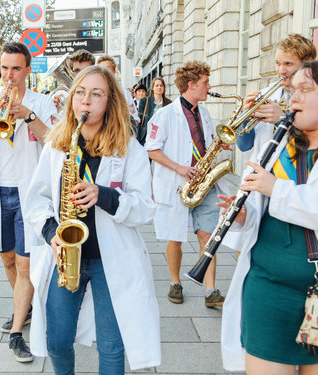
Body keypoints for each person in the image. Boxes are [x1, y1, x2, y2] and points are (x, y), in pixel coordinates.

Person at [24, 65, 161, 374]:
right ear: (72, 99)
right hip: (65, 255)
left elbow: (144, 208)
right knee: (56, 341)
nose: (86, 101)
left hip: (110, 259)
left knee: (112, 347)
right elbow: (37, 200)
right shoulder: (57, 146)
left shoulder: (129, 149)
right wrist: (50, 233)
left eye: (96, 94)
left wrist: (106, 196)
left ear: (110, 101)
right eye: (81, 93)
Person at [221, 61, 318, 374]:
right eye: (292, 91)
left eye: (306, 90)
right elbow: (258, 213)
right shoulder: (276, 144)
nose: (295, 99)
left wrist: (276, 189)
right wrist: (243, 216)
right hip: (268, 289)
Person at [0, 42, 57, 363]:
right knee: (7, 259)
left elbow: (55, 143)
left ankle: (18, 332)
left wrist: (30, 116)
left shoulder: (42, 103)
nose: (9, 75)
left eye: (16, 68)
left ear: (27, 70)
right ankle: (27, 305)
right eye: (5, 68)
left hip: (29, 193)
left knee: (24, 263)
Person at [145, 61, 228, 306]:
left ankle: (211, 290)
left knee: (209, 235)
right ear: (191, 85)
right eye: (205, 83)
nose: (209, 87)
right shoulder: (164, 114)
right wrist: (180, 168)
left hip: (206, 182)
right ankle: (175, 282)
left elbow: (208, 141)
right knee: (176, 237)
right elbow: (151, 149)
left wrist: (220, 147)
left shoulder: (204, 113)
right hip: (178, 184)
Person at [236, 34, 316, 157]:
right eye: (278, 63)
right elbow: (244, 146)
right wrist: (246, 116)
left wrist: (282, 120)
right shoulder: (265, 94)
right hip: (261, 170)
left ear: (307, 63)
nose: (281, 71)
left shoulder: (314, 98)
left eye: (288, 64)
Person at [97, 55, 139, 125]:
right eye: (101, 69)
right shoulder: (92, 92)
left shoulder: (124, 93)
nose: (104, 72)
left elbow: (135, 119)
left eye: (107, 69)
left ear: (114, 71)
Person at [136, 78, 172, 146]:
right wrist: (137, 141)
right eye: (157, 85)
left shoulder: (169, 103)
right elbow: (139, 121)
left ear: (164, 88)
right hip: (147, 137)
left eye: (161, 85)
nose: (159, 87)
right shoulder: (144, 101)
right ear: (152, 88)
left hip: (163, 137)